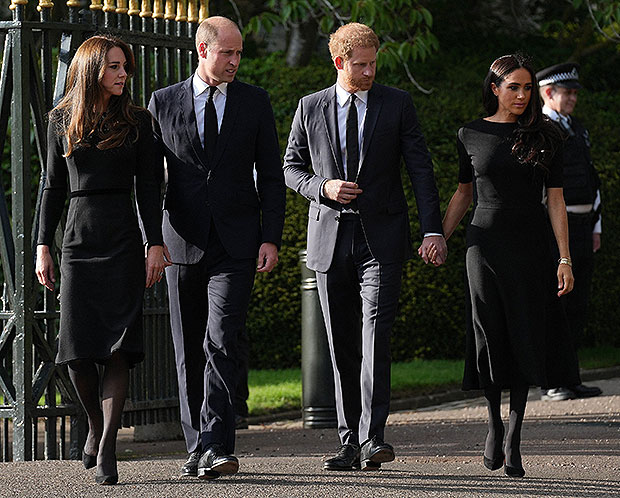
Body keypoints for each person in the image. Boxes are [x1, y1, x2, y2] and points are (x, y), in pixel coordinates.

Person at [283, 22, 446, 471]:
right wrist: (323, 187)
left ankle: (374, 437)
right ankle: (348, 440)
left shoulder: (397, 103)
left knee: (376, 336)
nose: (370, 71)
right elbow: (290, 168)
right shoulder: (309, 107)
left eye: (374, 63)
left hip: (382, 239)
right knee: (340, 343)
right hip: (329, 238)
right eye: (362, 65)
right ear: (339, 62)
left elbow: (421, 170)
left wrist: (432, 230)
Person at [148, 16, 285, 480]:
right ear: (202, 50)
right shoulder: (162, 103)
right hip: (180, 242)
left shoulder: (255, 102)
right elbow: (149, 183)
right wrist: (151, 240)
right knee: (188, 347)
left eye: (239, 53)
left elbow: (271, 175)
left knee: (222, 340)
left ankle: (216, 443)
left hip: (237, 242)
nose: (235, 61)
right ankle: (197, 447)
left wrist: (271, 236)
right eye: (227, 53)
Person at [438, 54, 581, 478]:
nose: (521, 95)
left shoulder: (547, 134)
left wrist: (564, 257)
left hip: (532, 245)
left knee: (525, 330)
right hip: (482, 245)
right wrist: (437, 238)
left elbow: (555, 200)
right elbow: (463, 194)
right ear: (495, 88)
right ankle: (493, 422)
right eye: (513, 87)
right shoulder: (469, 134)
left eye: (526, 87)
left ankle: (514, 434)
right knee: (488, 332)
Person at [35, 35, 167, 485]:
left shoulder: (139, 122)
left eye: (124, 66)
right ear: (92, 69)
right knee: (75, 351)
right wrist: (42, 245)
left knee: (118, 350)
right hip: (77, 241)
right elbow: (50, 188)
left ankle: (108, 446)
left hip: (123, 241)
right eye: (114, 66)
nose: (123, 74)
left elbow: (150, 187)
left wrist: (155, 243)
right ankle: (94, 423)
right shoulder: (61, 121)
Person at [537, 62, 603, 401]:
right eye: (568, 92)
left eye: (576, 92)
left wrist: (596, 225)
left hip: (582, 225)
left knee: (577, 305)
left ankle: (571, 377)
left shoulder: (577, 128)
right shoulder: (539, 128)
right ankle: (552, 380)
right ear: (549, 93)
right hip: (554, 230)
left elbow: (591, 178)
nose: (574, 98)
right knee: (556, 303)